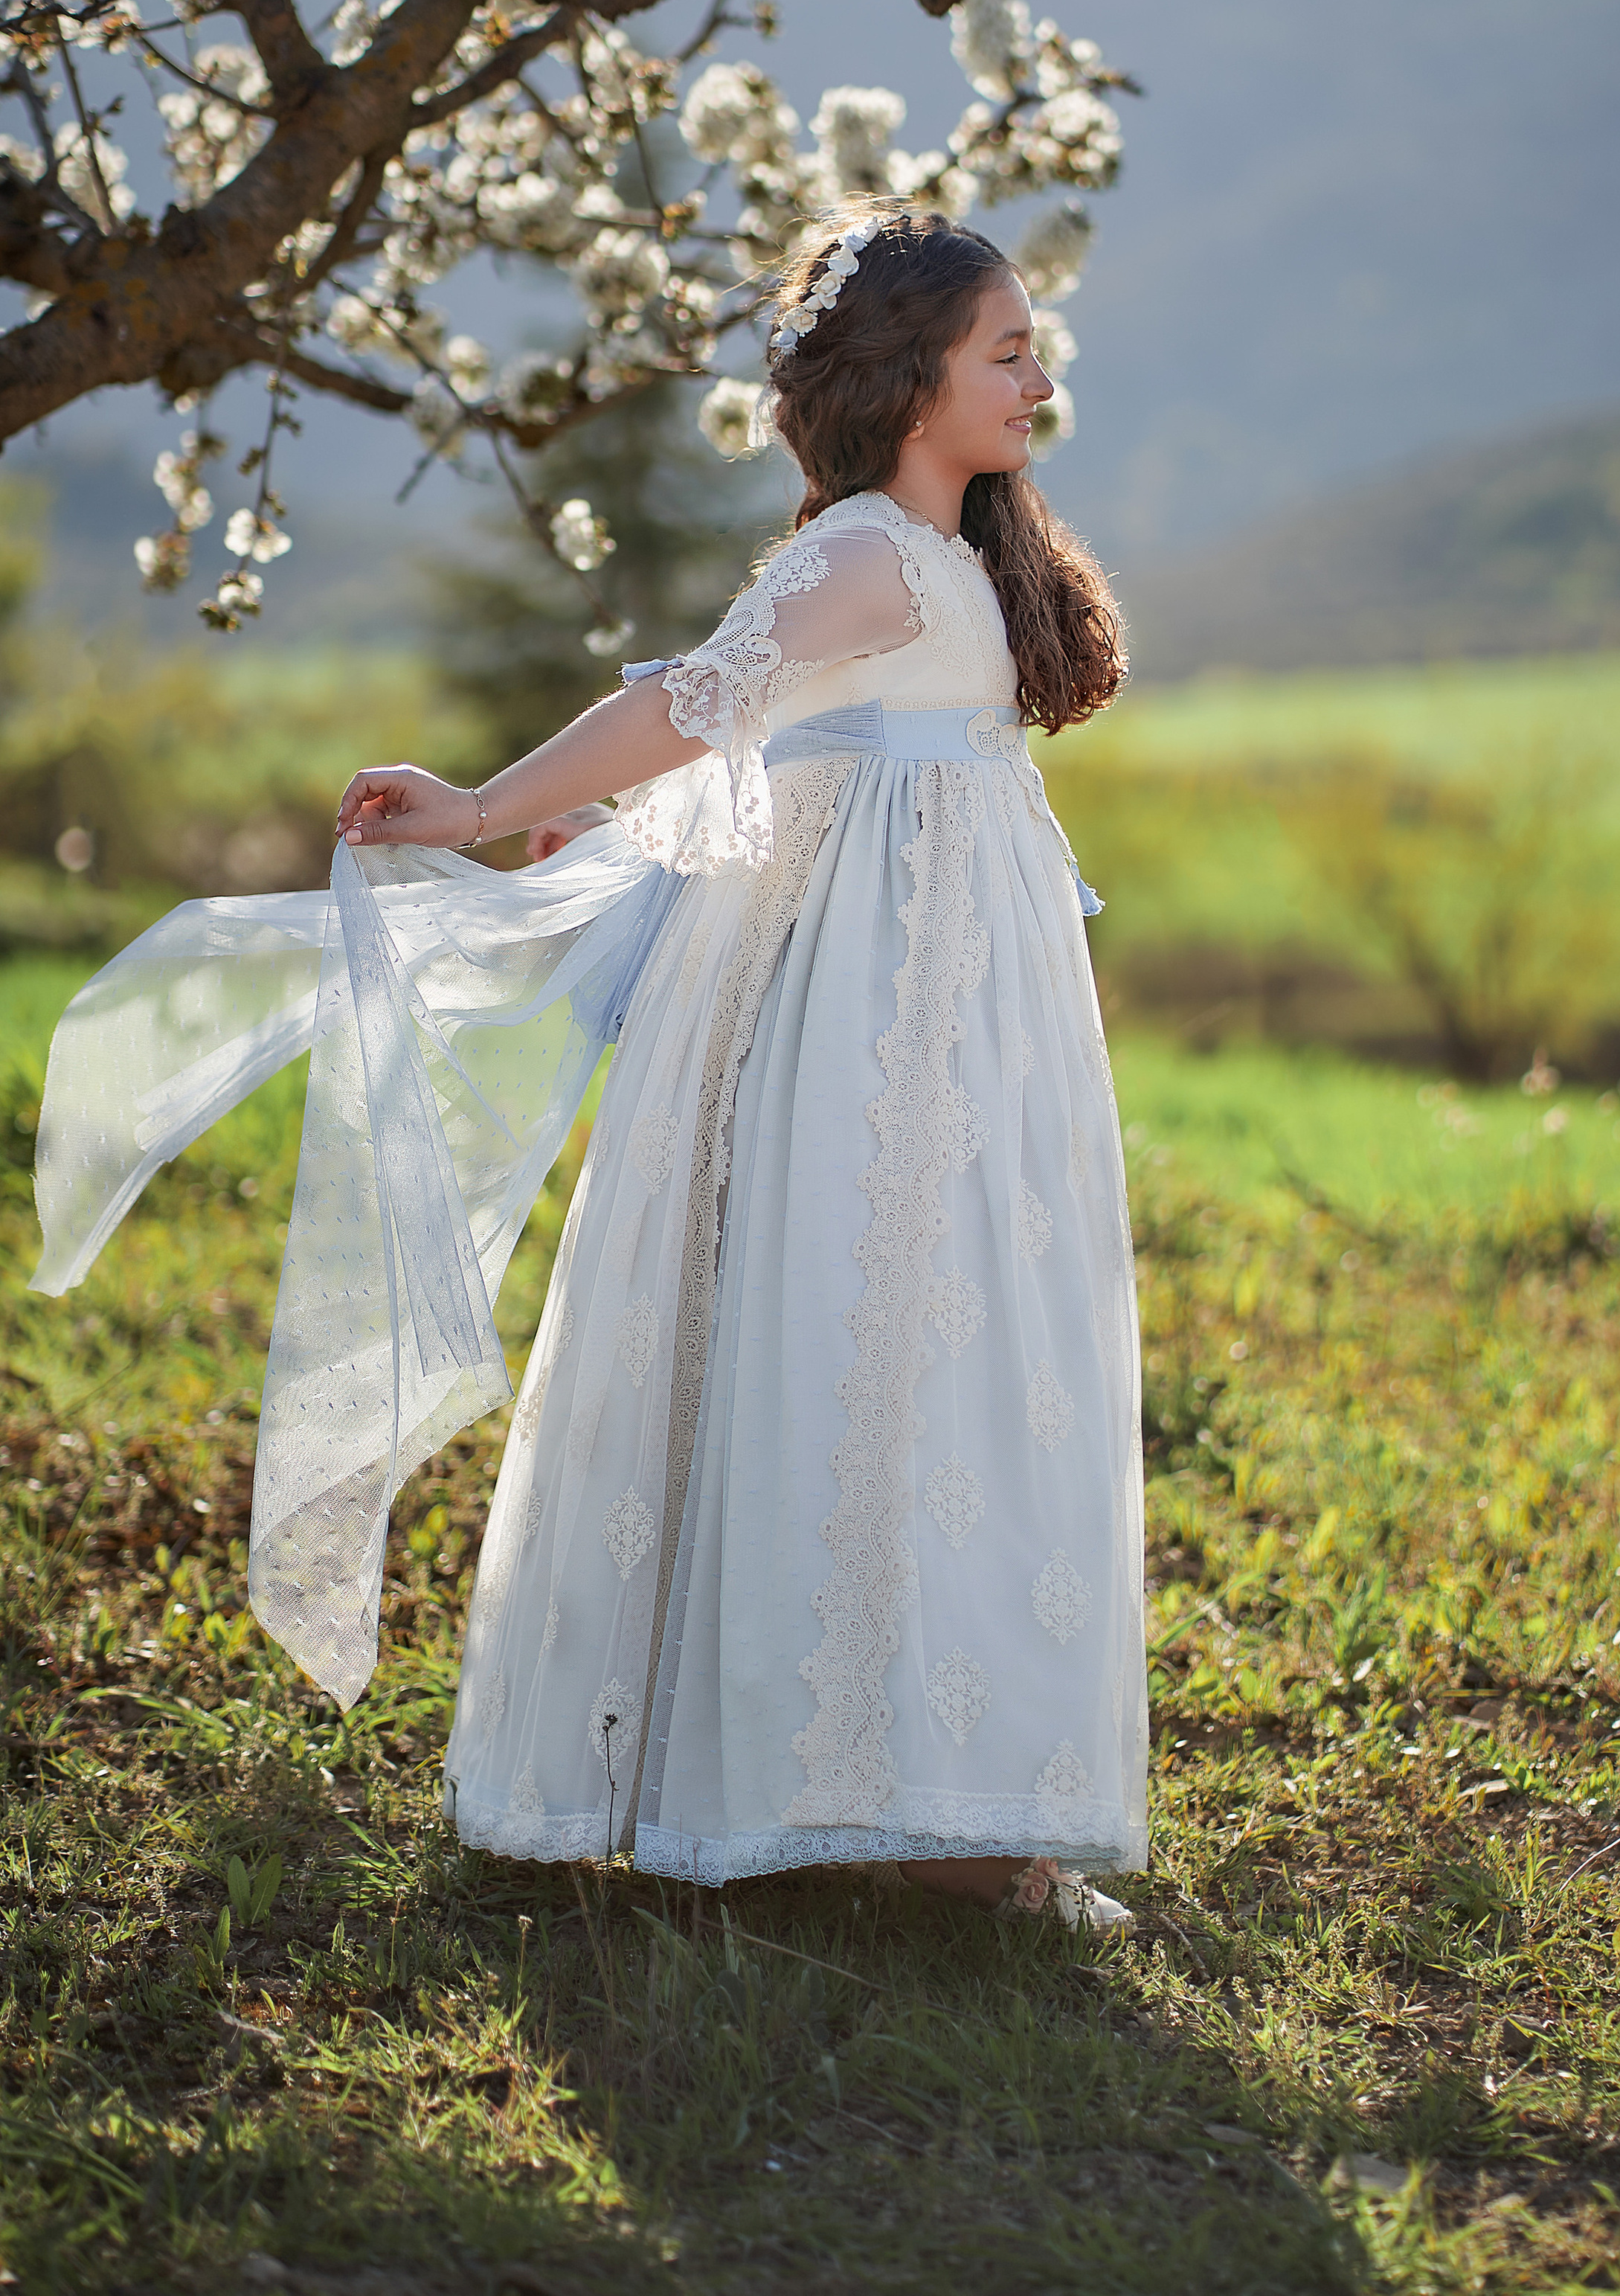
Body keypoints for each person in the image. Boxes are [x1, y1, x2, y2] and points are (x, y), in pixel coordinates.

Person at [34, 206, 1145, 1925]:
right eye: (1005, 352)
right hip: (875, 1015)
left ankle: (931, 1790)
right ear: (907, 377)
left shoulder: (949, 555)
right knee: (886, 1343)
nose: (1037, 380)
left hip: (957, 1004)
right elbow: (698, 709)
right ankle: (874, 1798)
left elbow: (767, 755)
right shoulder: (858, 554)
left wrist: (564, 812)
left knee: (963, 1350)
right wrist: (485, 809)